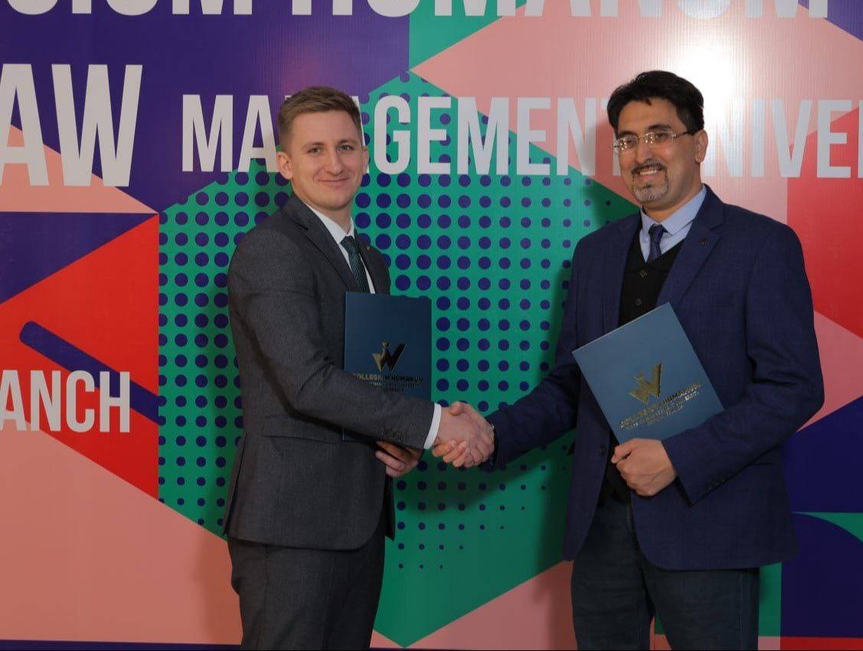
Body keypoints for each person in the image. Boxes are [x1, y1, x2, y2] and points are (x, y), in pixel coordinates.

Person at [438, 71, 824, 650]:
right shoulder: (595, 254)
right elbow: (571, 386)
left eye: (659, 134)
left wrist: (679, 458)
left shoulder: (761, 246)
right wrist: (493, 434)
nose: (642, 153)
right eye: (627, 140)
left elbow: (793, 388)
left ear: (699, 143)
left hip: (709, 527)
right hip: (603, 532)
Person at [222, 86, 493, 650]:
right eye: (315, 150)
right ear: (285, 164)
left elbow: (372, 384)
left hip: (360, 519)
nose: (334, 163)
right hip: (292, 526)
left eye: (346, 147)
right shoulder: (271, 249)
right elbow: (307, 383)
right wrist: (435, 425)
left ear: (365, 157)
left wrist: (402, 443)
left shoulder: (371, 261)